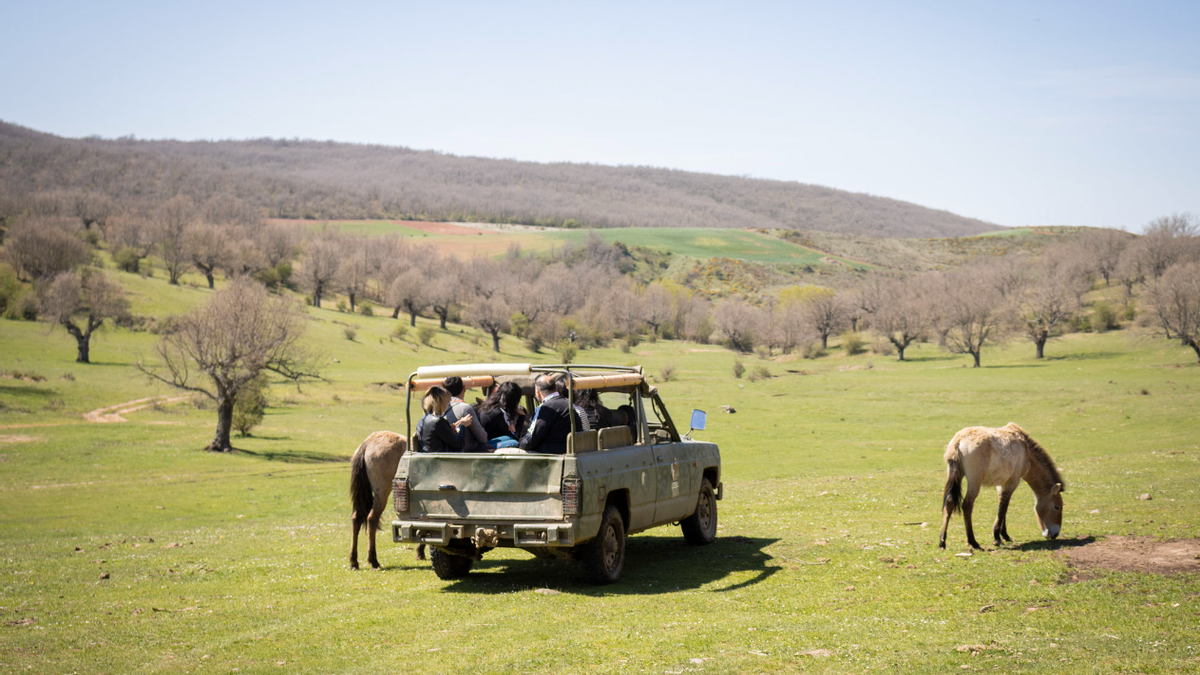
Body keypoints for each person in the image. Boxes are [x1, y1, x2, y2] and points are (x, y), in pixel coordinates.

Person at [520, 374, 581, 454]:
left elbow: (531, 438)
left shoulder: (545, 408)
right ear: (556, 388)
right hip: (571, 451)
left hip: (550, 455)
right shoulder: (568, 405)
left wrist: (520, 444)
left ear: (538, 392)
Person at [415, 385, 472, 453]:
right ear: (441, 403)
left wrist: (449, 430)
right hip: (441, 461)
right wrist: (463, 425)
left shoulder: (422, 420)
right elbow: (459, 444)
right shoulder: (438, 421)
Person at [477, 381, 527, 449]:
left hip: (483, 441)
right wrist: (522, 417)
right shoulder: (498, 413)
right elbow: (515, 436)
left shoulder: (489, 407)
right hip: (486, 445)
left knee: (508, 438)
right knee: (514, 442)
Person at [442, 376, 486, 452]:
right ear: (464, 388)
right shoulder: (465, 408)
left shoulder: (441, 407)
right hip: (467, 450)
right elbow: (482, 437)